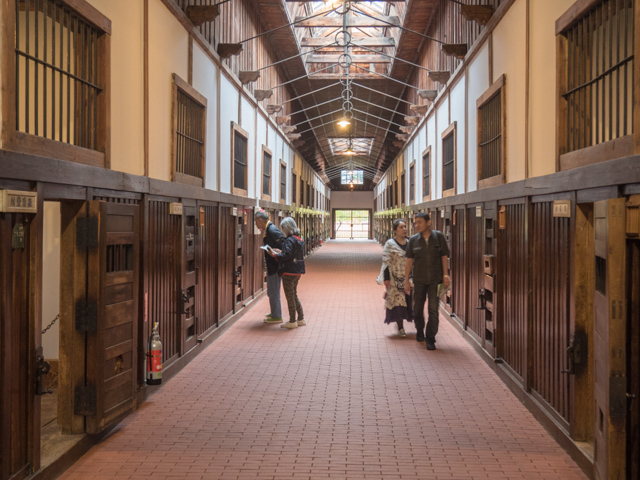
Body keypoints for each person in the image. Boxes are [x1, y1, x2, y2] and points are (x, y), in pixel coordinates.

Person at [404, 212, 450, 350]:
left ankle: (430, 337)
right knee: (417, 308)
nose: (416, 225)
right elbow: (409, 261)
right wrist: (406, 280)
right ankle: (419, 330)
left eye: (419, 222)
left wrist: (446, 275)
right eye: (415, 223)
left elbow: (444, 256)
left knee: (433, 310)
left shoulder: (439, 237)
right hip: (419, 280)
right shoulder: (413, 240)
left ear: (428, 222)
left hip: (435, 280)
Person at [266, 217, 305, 329]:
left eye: (283, 228)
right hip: (297, 271)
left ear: (286, 228)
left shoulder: (289, 240)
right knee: (294, 294)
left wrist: (274, 255)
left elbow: (286, 256)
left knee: (290, 297)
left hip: (288, 271)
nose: (282, 230)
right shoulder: (298, 239)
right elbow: (291, 253)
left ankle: (292, 320)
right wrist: (281, 251)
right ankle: (301, 318)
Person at [376, 219, 413, 337]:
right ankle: (401, 327)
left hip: (408, 278)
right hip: (394, 278)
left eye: (405, 226)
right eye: (401, 227)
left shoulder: (410, 242)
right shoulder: (390, 244)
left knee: (410, 301)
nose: (404, 229)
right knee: (398, 303)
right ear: (395, 230)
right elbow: (386, 262)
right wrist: (386, 279)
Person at [255, 210, 285, 324]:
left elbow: (284, 244)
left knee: (273, 291)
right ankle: (274, 312)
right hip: (272, 264)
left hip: (275, 265)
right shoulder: (268, 229)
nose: (255, 224)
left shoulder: (272, 230)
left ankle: (277, 315)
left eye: (256, 221)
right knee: (271, 290)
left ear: (260, 220)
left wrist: (278, 251)